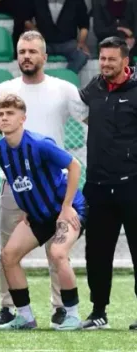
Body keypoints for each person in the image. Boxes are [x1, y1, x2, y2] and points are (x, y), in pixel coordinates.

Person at [0, 30, 89, 328]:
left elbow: (88, 123)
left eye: (32, 51)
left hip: (56, 192)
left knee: (57, 253)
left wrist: (67, 205)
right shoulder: (5, 91)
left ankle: (65, 311)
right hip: (20, 191)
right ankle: (16, 312)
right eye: (21, 51)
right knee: (8, 253)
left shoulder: (63, 89)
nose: (26, 56)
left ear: (44, 56)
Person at [79, 36, 137, 330]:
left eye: (111, 59)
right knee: (97, 253)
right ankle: (98, 311)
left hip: (132, 186)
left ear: (126, 62)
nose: (105, 64)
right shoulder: (94, 89)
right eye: (102, 59)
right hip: (98, 186)